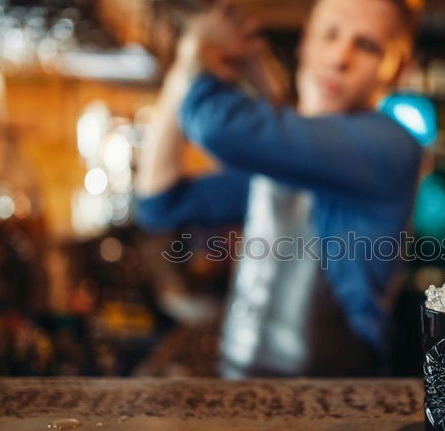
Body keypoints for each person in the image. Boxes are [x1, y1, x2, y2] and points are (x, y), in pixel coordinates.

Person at [135, 0, 423, 377]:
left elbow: (216, 126)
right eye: (330, 34)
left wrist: (198, 55)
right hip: (241, 389)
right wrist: (182, 71)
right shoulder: (279, 157)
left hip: (332, 402)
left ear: (397, 69)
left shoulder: (390, 145)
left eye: (367, 46)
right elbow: (159, 203)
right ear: (306, 42)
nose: (340, 58)